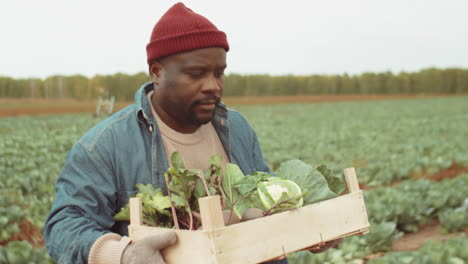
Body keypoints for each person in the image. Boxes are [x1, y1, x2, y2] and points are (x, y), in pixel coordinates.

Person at [44, 2, 338, 264]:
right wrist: (123, 255)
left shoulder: (236, 128)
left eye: (219, 73)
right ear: (157, 72)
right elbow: (64, 226)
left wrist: (308, 223)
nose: (214, 86)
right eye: (197, 74)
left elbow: (261, 198)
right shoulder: (105, 147)